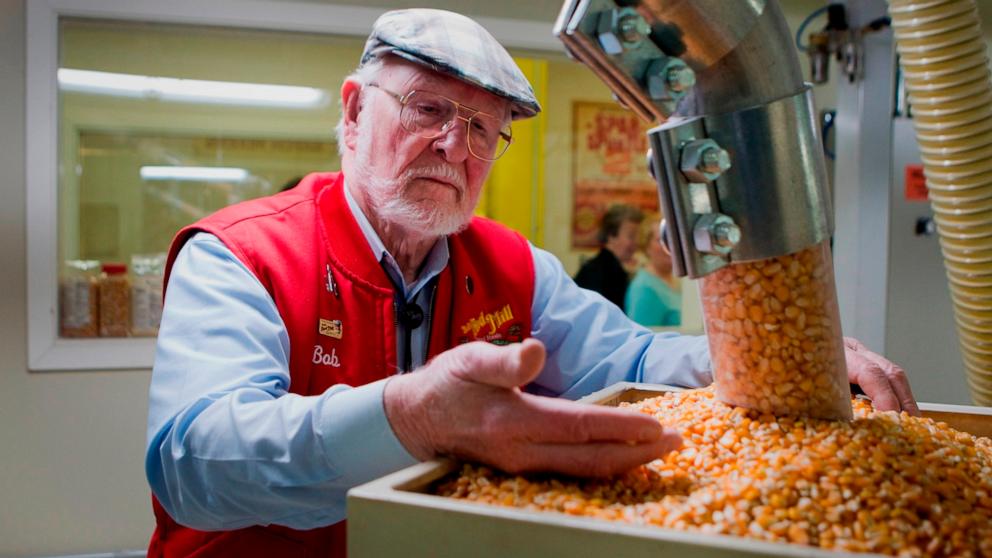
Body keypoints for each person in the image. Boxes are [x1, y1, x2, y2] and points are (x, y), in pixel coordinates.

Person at [144, 8, 920, 557]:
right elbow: (191, 463)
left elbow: (636, 362)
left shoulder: (511, 265)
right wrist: (414, 417)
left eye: (485, 128)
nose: (455, 145)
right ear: (352, 114)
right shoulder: (240, 255)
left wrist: (785, 353)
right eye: (429, 108)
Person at [574, 204, 643, 311]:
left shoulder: (596, 268)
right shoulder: (603, 273)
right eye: (631, 236)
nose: (636, 243)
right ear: (611, 236)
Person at [626, 218, 681, 327]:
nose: (669, 246)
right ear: (646, 246)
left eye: (673, 239)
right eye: (661, 240)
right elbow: (642, 337)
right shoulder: (644, 288)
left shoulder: (677, 280)